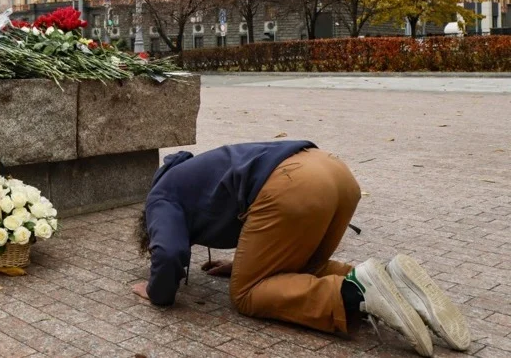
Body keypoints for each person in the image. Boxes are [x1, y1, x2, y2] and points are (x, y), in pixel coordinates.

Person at [133, 142, 469, 357]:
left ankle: (358, 290)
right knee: (302, 271)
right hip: (332, 171)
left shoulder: (159, 198)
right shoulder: (192, 174)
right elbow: (256, 222)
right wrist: (242, 263)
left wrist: (157, 290)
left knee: (247, 293)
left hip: (293, 185)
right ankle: (395, 282)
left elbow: (169, 253)